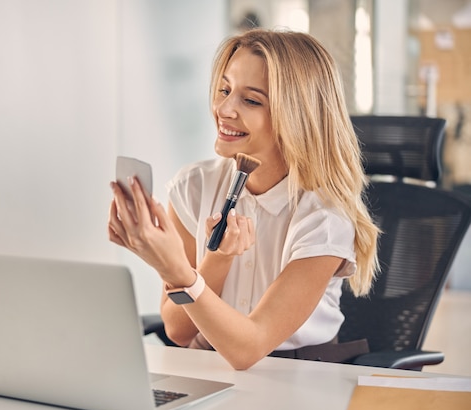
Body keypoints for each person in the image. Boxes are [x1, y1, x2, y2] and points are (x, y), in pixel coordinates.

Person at [108, 28, 380, 370]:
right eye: (224, 90)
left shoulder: (324, 217)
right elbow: (179, 329)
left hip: (302, 375)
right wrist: (217, 260)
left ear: (297, 115)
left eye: (250, 100)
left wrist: (174, 267)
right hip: (209, 366)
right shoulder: (193, 186)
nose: (223, 108)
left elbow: (249, 348)